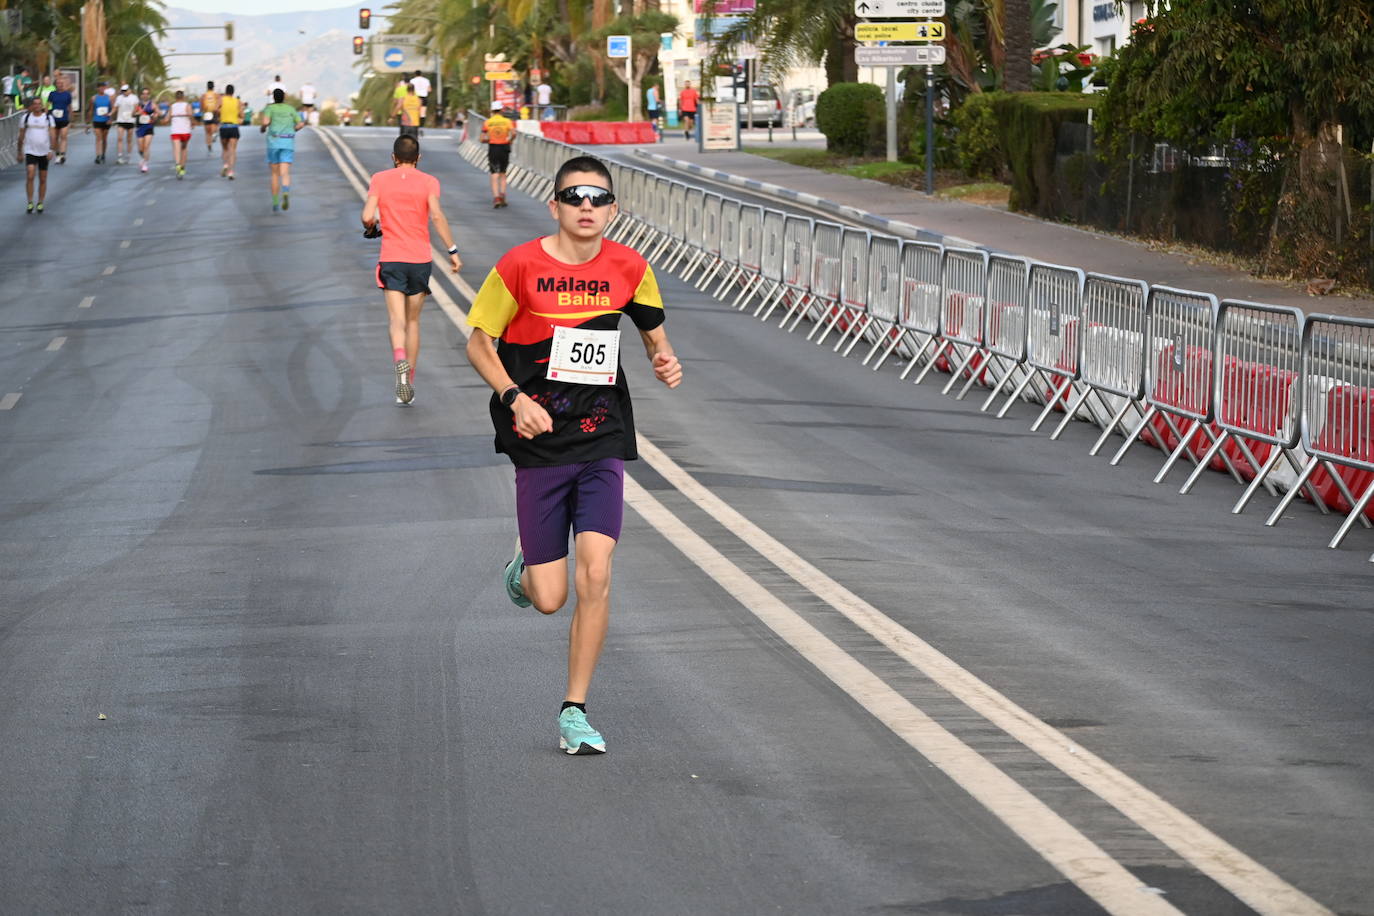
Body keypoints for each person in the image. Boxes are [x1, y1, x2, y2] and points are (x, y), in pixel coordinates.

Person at [464, 155, 683, 756]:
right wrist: (512, 396)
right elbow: (478, 342)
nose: (587, 206)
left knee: (597, 571)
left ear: (613, 209)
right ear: (554, 205)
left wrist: (665, 360)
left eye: (598, 197)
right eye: (574, 196)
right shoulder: (519, 265)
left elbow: (654, 336)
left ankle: (575, 709)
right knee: (549, 599)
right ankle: (525, 568)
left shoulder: (631, 267)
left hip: (600, 436)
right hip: (537, 440)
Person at [360, 134, 462, 406]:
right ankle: (409, 380)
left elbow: (368, 215)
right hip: (419, 260)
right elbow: (437, 216)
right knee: (414, 321)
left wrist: (372, 228)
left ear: (394, 158)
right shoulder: (429, 182)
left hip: (392, 258)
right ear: (418, 159)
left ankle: (399, 360)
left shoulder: (380, 179)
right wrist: (452, 251)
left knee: (397, 321)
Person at [260, 87, 303, 211]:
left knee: (274, 174)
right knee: (284, 173)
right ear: (284, 97)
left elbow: (266, 121)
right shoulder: (290, 109)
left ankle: (275, 203)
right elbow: (301, 123)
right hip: (287, 142)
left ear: (273, 97)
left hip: (273, 142)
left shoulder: (270, 108)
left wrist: (263, 128)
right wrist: (294, 130)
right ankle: (285, 192)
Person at [18, 96, 57, 214]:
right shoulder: (26, 118)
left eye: (39, 104)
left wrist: (51, 150)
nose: (37, 106)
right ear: (32, 106)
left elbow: (53, 135)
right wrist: (19, 152)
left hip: (44, 152)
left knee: (43, 178)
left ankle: (40, 202)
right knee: (30, 175)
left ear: (42, 105)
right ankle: (30, 202)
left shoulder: (48, 118)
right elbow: (21, 136)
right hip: (30, 151)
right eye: (35, 104)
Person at [480, 101, 514, 209]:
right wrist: (510, 140)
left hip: (493, 148)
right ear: (501, 110)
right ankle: (503, 194)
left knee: (494, 173)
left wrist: (489, 140)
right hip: (505, 147)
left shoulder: (488, 122)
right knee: (503, 173)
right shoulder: (507, 121)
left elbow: (481, 138)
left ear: (492, 110)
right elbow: (514, 133)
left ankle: (496, 198)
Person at [165, 90, 193, 178]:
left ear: (175, 98)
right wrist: (193, 123)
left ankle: (177, 164)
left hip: (175, 131)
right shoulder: (187, 105)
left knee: (176, 149)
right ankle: (182, 168)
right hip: (185, 131)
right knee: (184, 149)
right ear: (183, 97)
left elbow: (166, 119)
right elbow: (190, 115)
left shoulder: (172, 107)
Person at [45, 74, 73, 164]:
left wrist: (71, 119)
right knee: (54, 138)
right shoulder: (52, 94)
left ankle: (62, 155)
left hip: (64, 118)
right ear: (55, 84)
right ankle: (57, 154)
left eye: (61, 83)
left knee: (64, 136)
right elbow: (47, 105)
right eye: (58, 83)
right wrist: (45, 116)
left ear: (63, 84)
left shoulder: (67, 94)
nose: (60, 84)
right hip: (54, 119)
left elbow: (70, 107)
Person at [112, 84, 138, 164]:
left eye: (126, 90)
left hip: (130, 120)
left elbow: (136, 107)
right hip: (121, 120)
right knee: (120, 138)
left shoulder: (134, 97)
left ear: (129, 90)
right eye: (123, 91)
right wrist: (110, 113)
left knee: (129, 139)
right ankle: (120, 156)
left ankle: (129, 156)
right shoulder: (119, 98)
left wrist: (133, 113)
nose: (124, 92)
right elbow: (115, 107)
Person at [218, 85, 240, 179]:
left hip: (224, 126)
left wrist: (220, 113)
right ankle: (231, 172)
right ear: (233, 92)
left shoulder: (221, 100)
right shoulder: (237, 101)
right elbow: (241, 114)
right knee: (233, 150)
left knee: (225, 149)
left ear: (225, 91)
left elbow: (215, 109)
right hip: (234, 127)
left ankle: (225, 165)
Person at [134, 87, 157, 173]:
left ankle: (145, 164)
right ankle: (143, 159)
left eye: (147, 93)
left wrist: (155, 115)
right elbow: (132, 114)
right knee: (141, 149)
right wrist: (137, 113)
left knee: (146, 146)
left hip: (149, 127)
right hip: (140, 127)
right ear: (141, 95)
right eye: (143, 93)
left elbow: (159, 113)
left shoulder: (152, 104)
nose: (145, 95)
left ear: (149, 95)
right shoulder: (138, 105)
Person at [89, 81, 112, 163]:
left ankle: (103, 154)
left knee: (104, 139)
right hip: (97, 120)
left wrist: (110, 118)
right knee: (98, 138)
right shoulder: (94, 98)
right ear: (97, 88)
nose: (102, 88)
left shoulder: (109, 98)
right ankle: (98, 155)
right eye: (100, 87)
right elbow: (91, 110)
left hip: (106, 121)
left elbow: (112, 110)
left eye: (103, 87)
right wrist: (88, 123)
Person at [199, 80, 220, 153]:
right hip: (214, 113)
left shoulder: (203, 95)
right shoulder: (216, 95)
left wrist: (202, 112)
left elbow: (201, 106)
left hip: (206, 113)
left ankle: (209, 144)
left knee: (207, 132)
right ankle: (214, 134)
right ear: (213, 87)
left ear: (207, 87)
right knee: (215, 127)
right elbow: (219, 105)